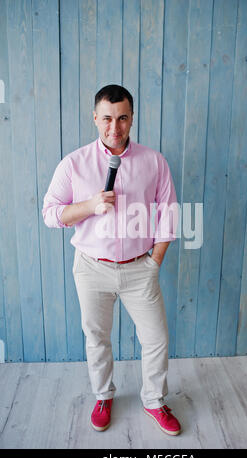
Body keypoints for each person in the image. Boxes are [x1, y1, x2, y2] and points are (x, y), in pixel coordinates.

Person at [42, 84, 181, 436]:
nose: (114, 128)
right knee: (97, 337)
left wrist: (154, 262)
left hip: (139, 268)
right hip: (91, 268)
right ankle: (104, 396)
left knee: (156, 339)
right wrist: (90, 204)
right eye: (106, 118)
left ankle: (153, 400)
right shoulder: (74, 163)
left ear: (132, 118)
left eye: (122, 118)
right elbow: (49, 214)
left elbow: (168, 214)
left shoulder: (154, 162)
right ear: (95, 118)